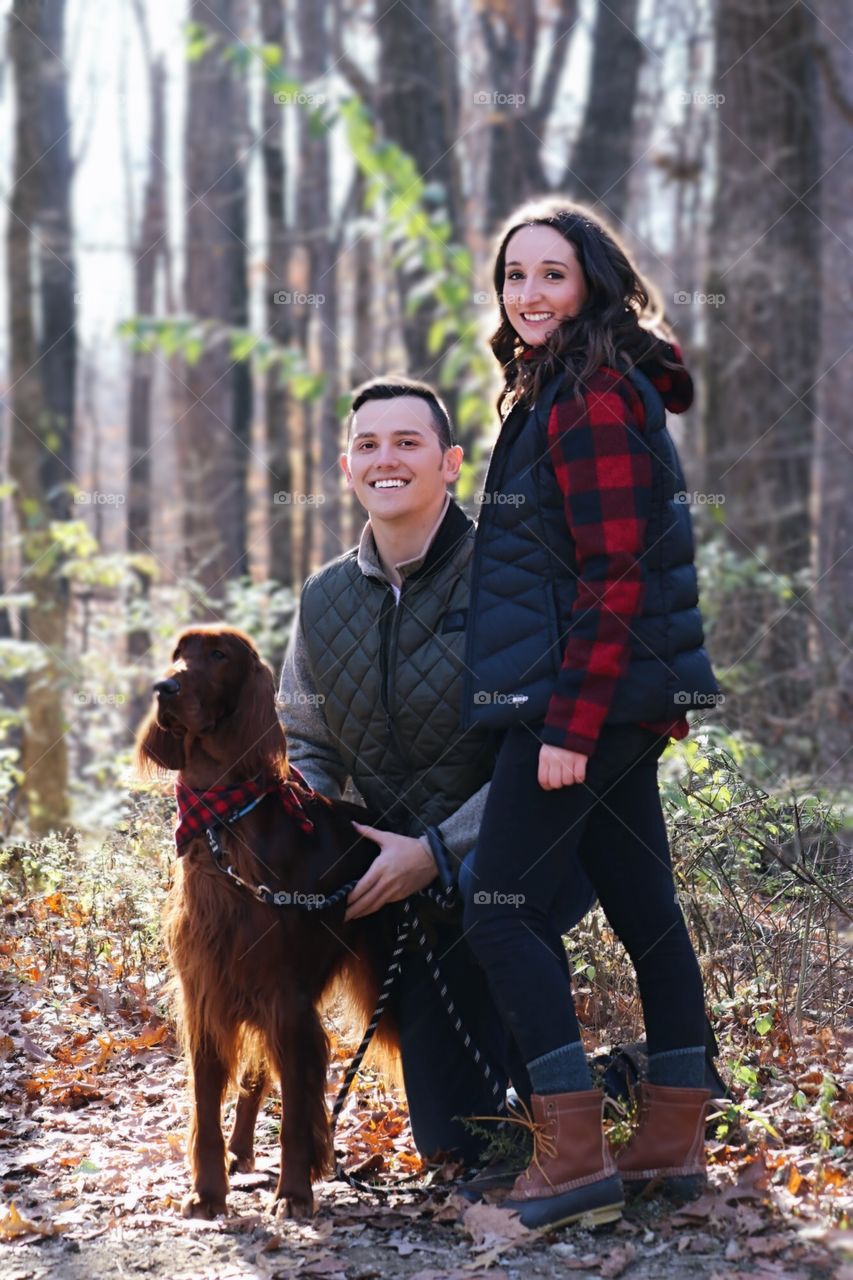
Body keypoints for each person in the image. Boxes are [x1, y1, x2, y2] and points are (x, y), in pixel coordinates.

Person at [461, 200, 721, 1230]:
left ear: (594, 283)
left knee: (498, 908)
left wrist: (566, 724)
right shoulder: (568, 384)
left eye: (551, 274)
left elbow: (615, 575)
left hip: (585, 701)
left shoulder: (590, 395)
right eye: (514, 275)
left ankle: (570, 1158)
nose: (528, 293)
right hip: (619, 698)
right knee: (638, 898)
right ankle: (668, 1137)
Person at [278, 375, 595, 1167]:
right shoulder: (322, 599)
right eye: (367, 445)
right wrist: (326, 826)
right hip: (405, 883)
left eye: (407, 442)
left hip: (523, 853)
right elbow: (303, 737)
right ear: (344, 467)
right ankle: (554, 1102)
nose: (386, 459)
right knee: (453, 1142)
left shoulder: (510, 573)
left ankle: (600, 1111)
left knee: (498, 917)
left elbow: (542, 742)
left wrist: (437, 850)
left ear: (450, 462)